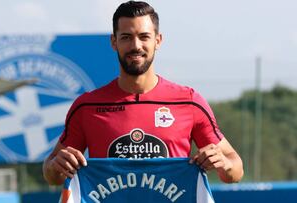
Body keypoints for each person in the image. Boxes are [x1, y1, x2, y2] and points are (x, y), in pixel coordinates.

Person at [43, 0, 243, 186]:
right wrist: (55, 166)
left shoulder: (189, 102)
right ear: (114, 42)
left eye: (144, 36)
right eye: (126, 37)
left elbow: (235, 171)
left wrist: (223, 162)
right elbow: (52, 175)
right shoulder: (87, 106)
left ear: (158, 40)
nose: (136, 46)